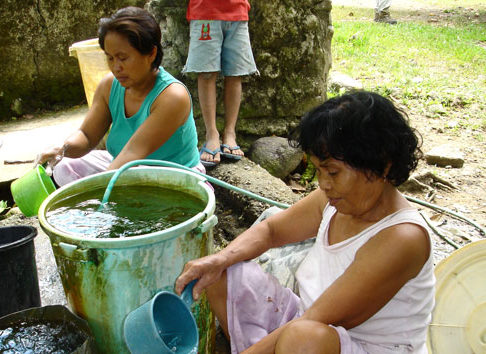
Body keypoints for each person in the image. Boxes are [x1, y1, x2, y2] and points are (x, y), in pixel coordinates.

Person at [175, 91, 435, 353]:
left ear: (383, 164)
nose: (323, 184)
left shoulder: (402, 238)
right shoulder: (334, 199)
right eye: (318, 170)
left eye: (333, 172)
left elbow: (317, 321)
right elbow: (271, 230)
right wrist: (218, 260)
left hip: (355, 344)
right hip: (305, 319)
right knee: (221, 273)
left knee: (303, 340)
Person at [36, 7, 203, 186]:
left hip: (175, 178)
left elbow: (133, 153)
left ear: (151, 54)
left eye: (123, 58)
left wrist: (99, 197)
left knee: (117, 191)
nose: (116, 67)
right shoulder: (109, 86)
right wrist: (63, 148)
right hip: (125, 169)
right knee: (66, 166)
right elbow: (86, 135)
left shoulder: (172, 96)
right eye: (110, 58)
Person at [183, 0, 258, 167]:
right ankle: (211, 134)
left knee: (235, 74)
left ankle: (230, 133)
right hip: (204, 12)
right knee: (207, 74)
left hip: (237, 12)